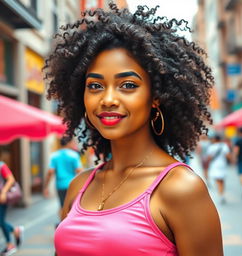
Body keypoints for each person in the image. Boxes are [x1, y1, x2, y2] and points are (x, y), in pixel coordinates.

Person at [43, 3, 223, 255]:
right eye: (95, 86)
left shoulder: (180, 188)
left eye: (127, 85)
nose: (107, 99)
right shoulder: (79, 185)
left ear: (156, 96)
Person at [43, 137, 83, 220]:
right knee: (73, 206)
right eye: (72, 142)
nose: (73, 144)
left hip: (60, 185)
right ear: (68, 143)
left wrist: (46, 187)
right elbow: (80, 171)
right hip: (72, 185)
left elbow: (50, 172)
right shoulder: (74, 155)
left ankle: (62, 224)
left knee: (62, 206)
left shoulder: (54, 156)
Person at [0, 160, 23, 256]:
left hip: (1, 197)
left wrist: (4, 192)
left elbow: (11, 179)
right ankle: (15, 230)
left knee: (0, 221)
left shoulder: (1, 165)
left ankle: (10, 245)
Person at [206, 134, 231, 204]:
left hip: (215, 165)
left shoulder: (211, 147)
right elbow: (228, 156)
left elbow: (209, 158)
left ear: (214, 139)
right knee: (222, 180)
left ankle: (221, 195)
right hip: (222, 165)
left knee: (218, 181)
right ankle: (222, 194)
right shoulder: (224, 146)